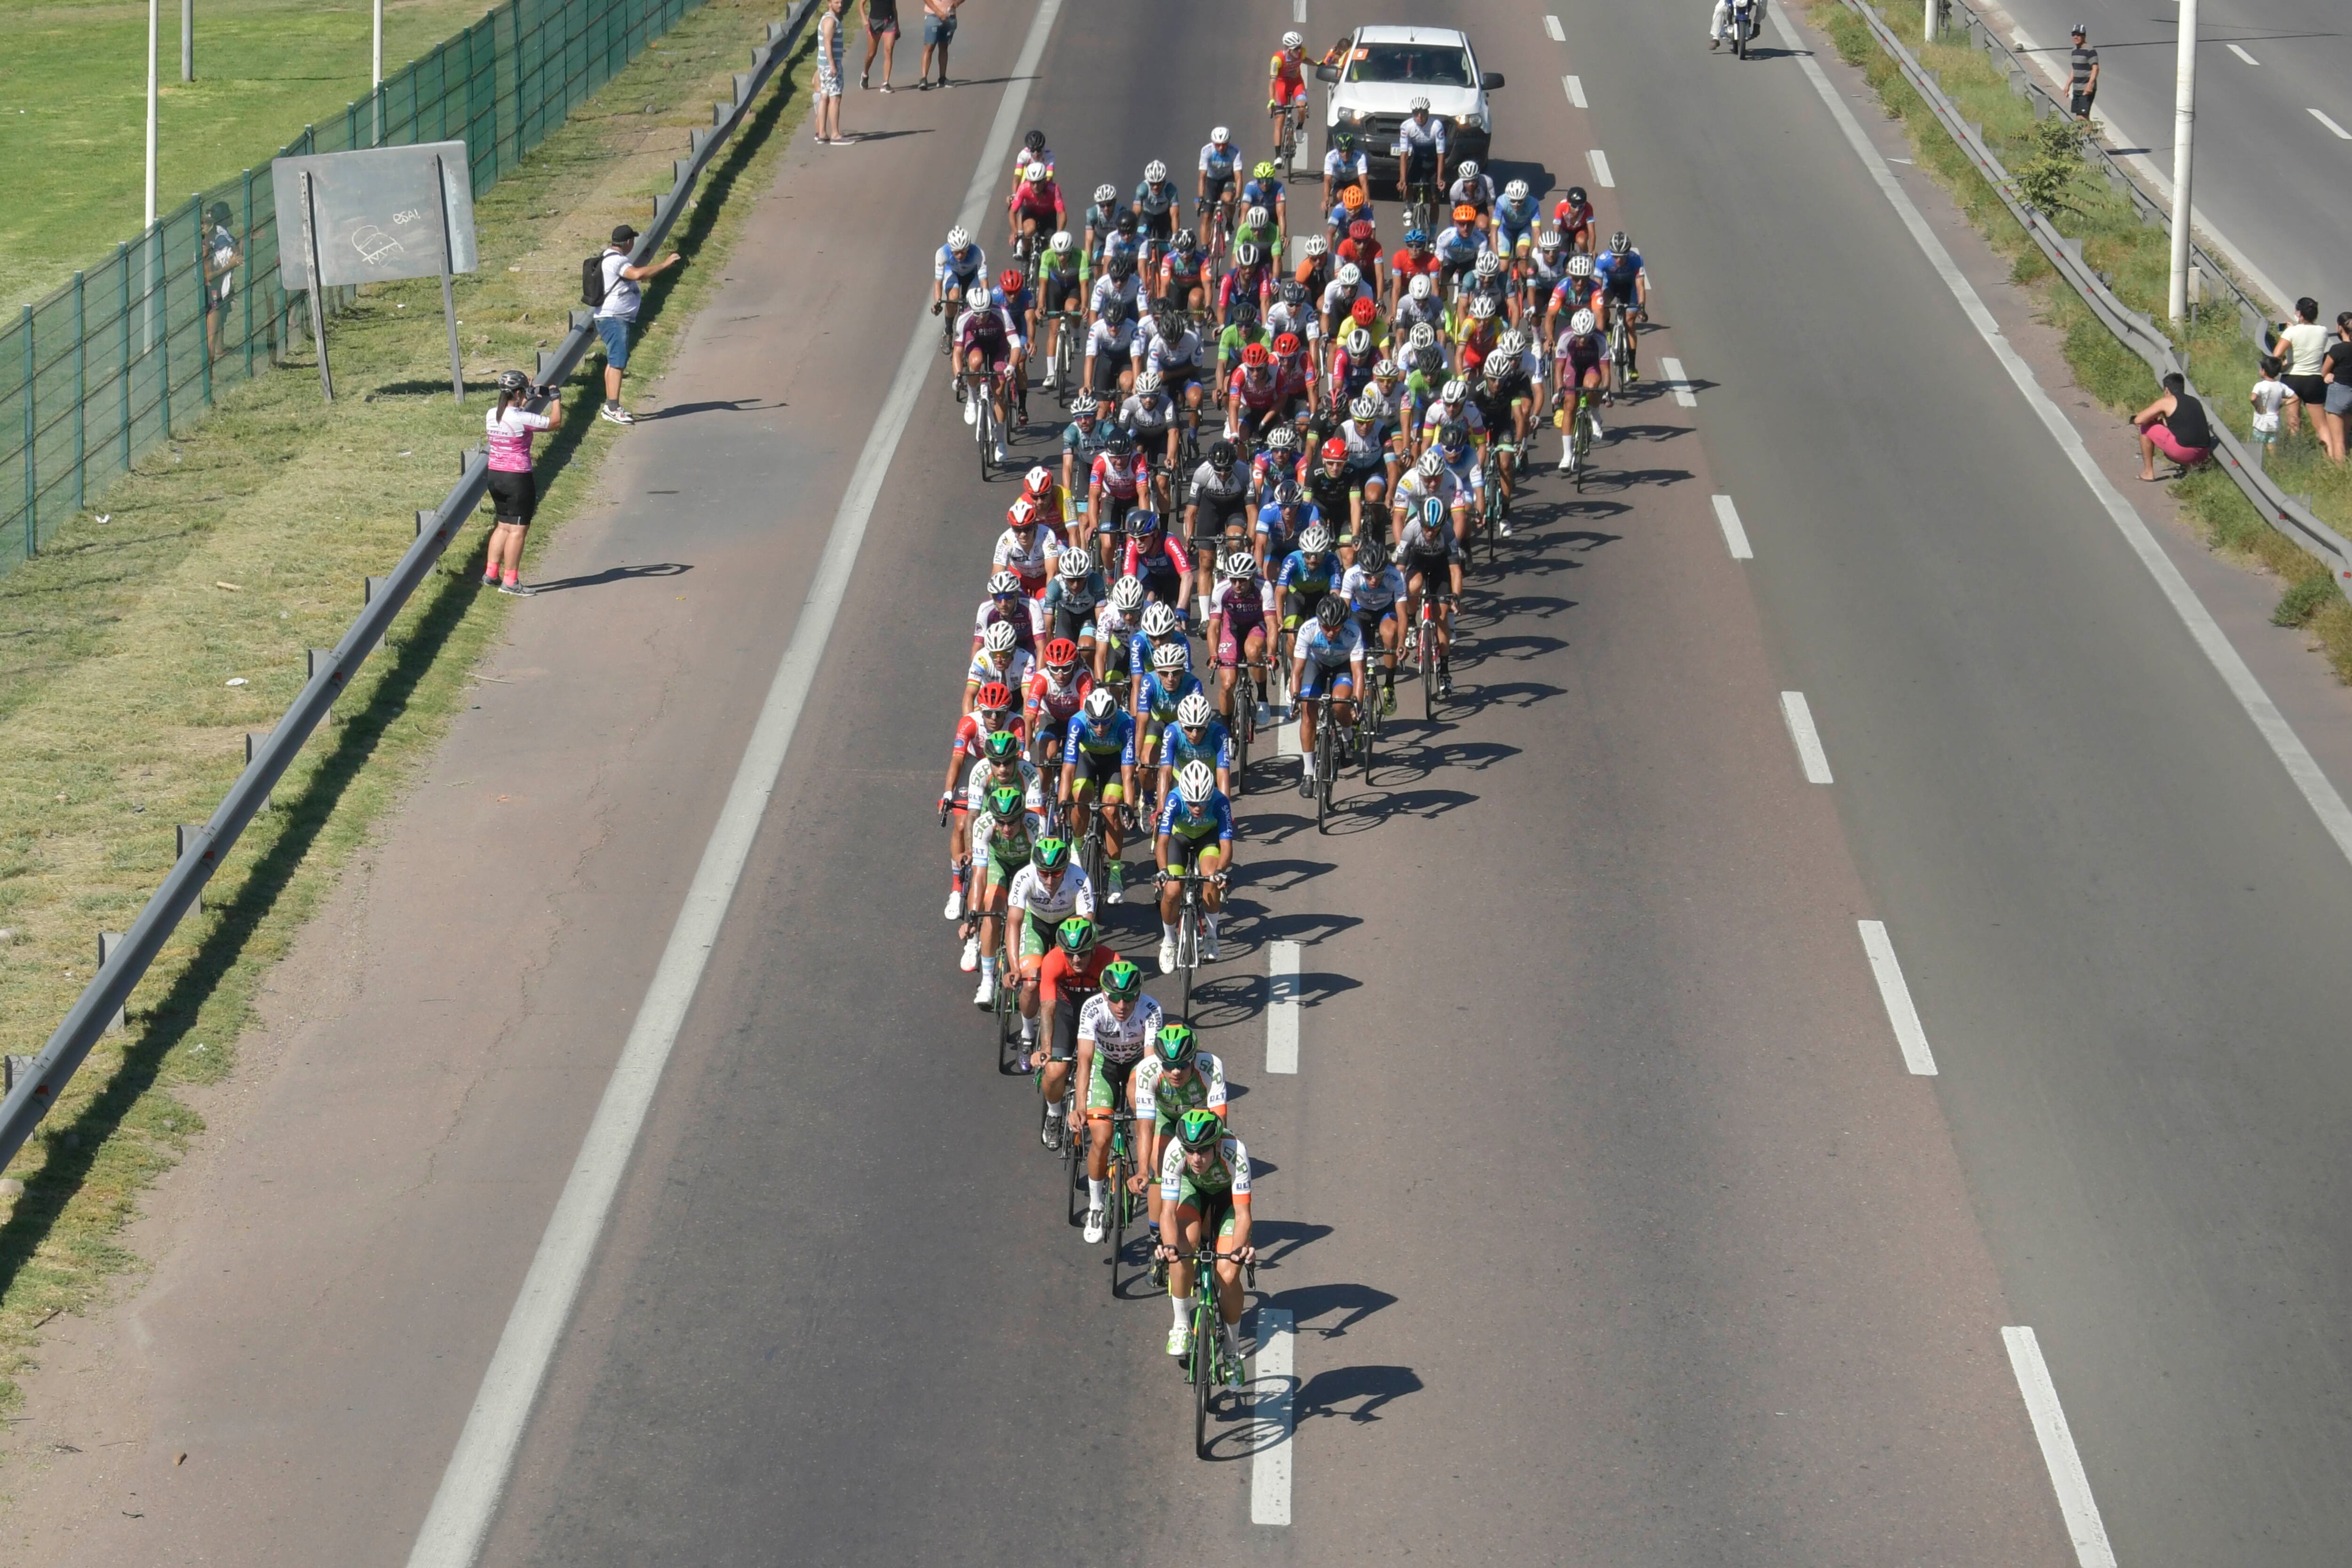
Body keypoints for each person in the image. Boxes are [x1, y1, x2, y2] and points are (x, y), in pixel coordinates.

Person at [1153, 1107, 1255, 1361]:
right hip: (1193, 1191)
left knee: (1229, 1274)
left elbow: (1243, 1214)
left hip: (1226, 1198)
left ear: (1217, 1145)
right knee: (1181, 1248)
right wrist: (1169, 1247)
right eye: (1191, 1151)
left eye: (1203, 1151)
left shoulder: (1236, 1152)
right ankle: (1180, 1325)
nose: (1196, 1158)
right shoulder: (1176, 1153)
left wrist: (1238, 1250)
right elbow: (1167, 1213)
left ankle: (1232, 1350)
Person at [1073, 961, 1162, 1242]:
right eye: (1114, 997)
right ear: (1104, 994)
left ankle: (1143, 1165)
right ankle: (1096, 1205)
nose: (1122, 1004)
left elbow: (1149, 1064)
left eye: (1128, 997)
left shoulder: (1151, 1010)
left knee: (1141, 1103)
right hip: (1104, 1065)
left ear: (1139, 995)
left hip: (1136, 1064)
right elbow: (1085, 1061)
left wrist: (1148, 1115)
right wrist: (1079, 1107)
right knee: (1101, 1137)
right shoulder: (1092, 1008)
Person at [595, 225, 682, 425]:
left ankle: (611, 405)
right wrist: (665, 265)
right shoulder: (617, 260)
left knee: (614, 360)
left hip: (611, 316)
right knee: (618, 362)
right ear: (628, 243)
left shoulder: (607, 257)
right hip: (614, 317)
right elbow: (637, 275)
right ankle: (613, 408)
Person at [483, 370, 559, 597]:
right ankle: (510, 581)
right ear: (517, 393)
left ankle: (491, 573)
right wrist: (555, 399)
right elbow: (555, 423)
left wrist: (529, 396)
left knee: (503, 525)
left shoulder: (491, 414)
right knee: (518, 530)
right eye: (523, 392)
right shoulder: (521, 418)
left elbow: (513, 412)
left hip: (495, 475)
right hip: (517, 478)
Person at [1154, 760, 1233, 971]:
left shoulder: (1220, 802)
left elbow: (1226, 846)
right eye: (1192, 803)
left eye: (1202, 803)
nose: (1197, 808)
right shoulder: (1174, 800)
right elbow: (1162, 842)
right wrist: (1163, 871)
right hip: (1178, 838)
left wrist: (1220, 872)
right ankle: (1169, 941)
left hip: (1207, 839)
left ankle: (1211, 935)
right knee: (1172, 891)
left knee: (1211, 879)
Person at [2133, 372, 2212, 481]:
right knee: (2181, 434)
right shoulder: (2195, 401)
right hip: (2203, 454)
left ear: (2167, 390)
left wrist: (2153, 419)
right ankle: (2190, 467)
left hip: (2183, 452)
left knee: (2146, 428)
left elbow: (2139, 420)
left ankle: (2148, 473)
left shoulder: (2167, 401)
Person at [2272, 298, 2329, 439]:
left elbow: (2277, 354)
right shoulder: (2323, 331)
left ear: (2299, 313)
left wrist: (2284, 364)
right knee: (2322, 425)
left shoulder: (2291, 332)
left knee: (2294, 423)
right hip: (2314, 379)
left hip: (2292, 378)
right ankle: (2333, 456)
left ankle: (2295, 451)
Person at [200, 201, 242, 362]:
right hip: (213, 292)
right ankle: (209, 373)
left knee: (218, 322)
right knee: (211, 334)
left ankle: (219, 349)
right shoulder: (209, 248)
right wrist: (231, 265)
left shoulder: (213, 241)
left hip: (215, 291)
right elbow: (209, 276)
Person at [812, 0, 848, 144]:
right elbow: (828, 43)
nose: (840, 5)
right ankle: (835, 134)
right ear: (829, 3)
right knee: (835, 98)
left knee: (825, 97)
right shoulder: (830, 21)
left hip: (825, 65)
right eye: (837, 2)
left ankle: (822, 133)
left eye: (841, 2)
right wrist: (833, 65)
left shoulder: (829, 19)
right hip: (830, 65)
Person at [2248, 355, 2294, 463]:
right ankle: (2275, 464)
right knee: (2271, 445)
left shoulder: (2260, 385)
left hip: (2261, 421)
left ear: (2264, 372)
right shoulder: (2281, 386)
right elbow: (2295, 398)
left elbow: (2253, 398)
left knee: (2255, 444)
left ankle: (2254, 463)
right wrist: (2283, 404)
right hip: (2274, 420)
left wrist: (2257, 406)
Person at [2320, 311, 2352, 464]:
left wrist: (2329, 375)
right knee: (2345, 436)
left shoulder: (2337, 350)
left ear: (2340, 328)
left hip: (2339, 392)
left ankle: (2340, 472)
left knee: (2337, 440)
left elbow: (2324, 371)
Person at [917, 0, 960, 88]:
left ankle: (942, 79)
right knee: (929, 47)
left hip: (950, 16)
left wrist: (956, 4)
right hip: (933, 15)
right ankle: (923, 79)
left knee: (944, 47)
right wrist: (938, 12)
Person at [859, 0, 898, 90]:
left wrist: (897, 25)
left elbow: (894, 7)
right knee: (872, 53)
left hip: (890, 21)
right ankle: (865, 73)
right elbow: (861, 4)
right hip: (874, 22)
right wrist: (864, 20)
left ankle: (885, 83)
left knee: (889, 51)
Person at [2066, 25, 2100, 121]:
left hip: (2086, 88)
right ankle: (2087, 135)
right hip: (2077, 88)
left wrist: (2090, 86)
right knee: (2079, 117)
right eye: (2074, 35)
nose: (2076, 37)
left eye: (2078, 35)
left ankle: (2088, 135)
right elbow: (2074, 69)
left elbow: (2096, 68)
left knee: (2083, 117)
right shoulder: (2074, 51)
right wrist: (2068, 85)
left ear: (2084, 36)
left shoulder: (2090, 50)